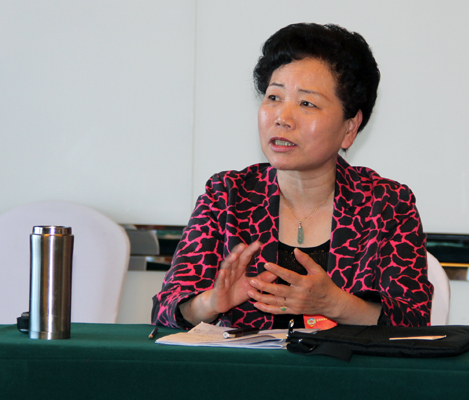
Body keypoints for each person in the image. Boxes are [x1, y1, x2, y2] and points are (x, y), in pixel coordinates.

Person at [152, 23, 432, 330]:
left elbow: (414, 321)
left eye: (307, 103)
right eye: (274, 97)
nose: (282, 118)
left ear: (349, 128)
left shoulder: (386, 204)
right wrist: (210, 304)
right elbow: (164, 310)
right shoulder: (227, 196)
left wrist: (336, 305)